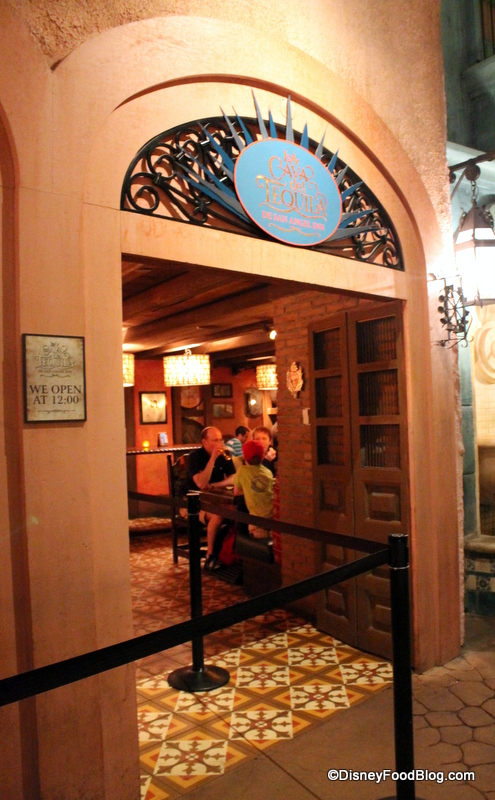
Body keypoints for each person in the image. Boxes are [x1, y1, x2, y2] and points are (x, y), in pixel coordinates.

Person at [186, 426, 236, 570]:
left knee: (237, 511)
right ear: (204, 442)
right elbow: (201, 483)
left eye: (221, 440)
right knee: (217, 516)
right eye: (215, 440)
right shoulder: (194, 457)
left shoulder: (224, 455)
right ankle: (211, 555)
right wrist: (213, 458)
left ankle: (229, 552)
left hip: (216, 496)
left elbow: (234, 477)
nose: (219, 443)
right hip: (195, 500)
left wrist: (215, 485)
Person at [234, 439, 274, 538]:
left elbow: (236, 492)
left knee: (251, 529)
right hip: (273, 517)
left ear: (245, 457)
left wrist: (248, 489)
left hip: (256, 520)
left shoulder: (242, 471)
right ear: (262, 456)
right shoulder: (268, 472)